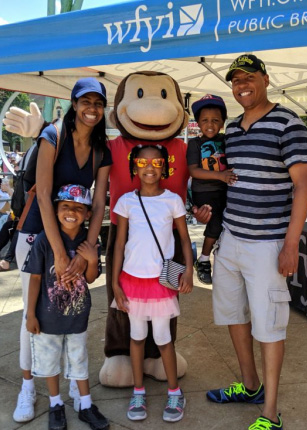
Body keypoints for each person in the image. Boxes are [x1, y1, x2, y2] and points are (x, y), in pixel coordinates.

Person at [205, 54, 307, 430]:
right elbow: (228, 180)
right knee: (233, 315)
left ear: (265, 79)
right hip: (231, 239)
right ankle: (250, 385)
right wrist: (209, 219)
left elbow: (304, 185)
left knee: (269, 326)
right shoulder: (232, 129)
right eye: (235, 80)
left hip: (268, 244)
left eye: (248, 77)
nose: (241, 85)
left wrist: (290, 243)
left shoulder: (288, 123)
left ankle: (270, 413)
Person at [13, 77, 112, 423]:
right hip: (38, 236)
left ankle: (75, 385)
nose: (92, 109)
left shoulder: (101, 149)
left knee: (69, 311)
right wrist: (58, 252)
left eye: (98, 103)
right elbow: (42, 195)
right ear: (73, 104)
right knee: (35, 316)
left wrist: (88, 247)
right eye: (86, 102)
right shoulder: (53, 136)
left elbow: (99, 204)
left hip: (75, 238)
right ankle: (28, 386)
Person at [111, 145, 193, 423]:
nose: (149, 167)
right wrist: (115, 284)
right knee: (136, 337)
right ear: (134, 168)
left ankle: (174, 391)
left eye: (156, 162)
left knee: (163, 338)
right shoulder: (125, 202)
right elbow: (119, 244)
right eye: (142, 163)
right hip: (131, 280)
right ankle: (138, 391)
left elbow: (183, 239)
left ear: (164, 167)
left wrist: (190, 270)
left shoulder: (172, 201)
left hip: (160, 283)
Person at [25, 184, 109, 430]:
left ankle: (85, 404)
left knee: (79, 359)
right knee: (50, 363)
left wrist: (92, 260)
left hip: (78, 315)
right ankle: (55, 404)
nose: (71, 212)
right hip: (47, 317)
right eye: (65, 207)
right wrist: (30, 314)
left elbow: (92, 278)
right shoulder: (44, 240)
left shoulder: (89, 241)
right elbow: (35, 278)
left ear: (87, 214)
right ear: (56, 210)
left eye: (77, 208)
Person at [186, 94, 237, 284]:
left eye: (215, 120)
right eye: (205, 120)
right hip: (204, 191)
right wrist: (220, 176)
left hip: (225, 190)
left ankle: (221, 258)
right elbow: (194, 170)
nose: (210, 124)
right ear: (197, 123)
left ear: (223, 123)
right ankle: (204, 259)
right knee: (215, 223)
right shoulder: (194, 143)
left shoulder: (226, 140)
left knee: (227, 225)